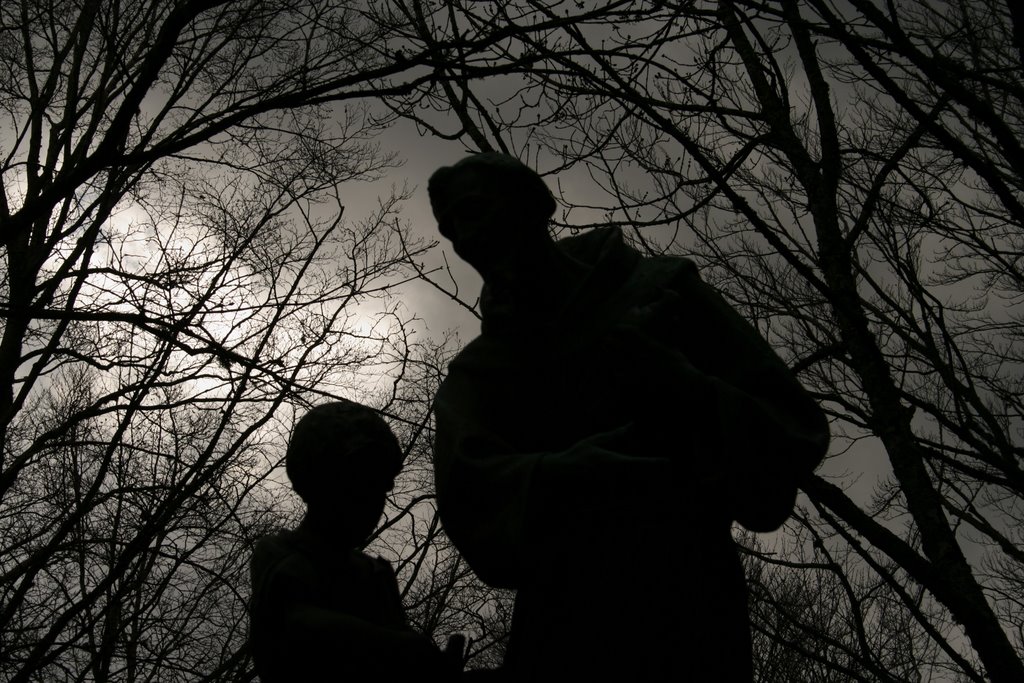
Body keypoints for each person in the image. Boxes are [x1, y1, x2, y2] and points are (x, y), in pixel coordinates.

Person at [428, 153, 830, 681]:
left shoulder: (660, 290)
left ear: (534, 207)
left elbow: (793, 431)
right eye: (453, 228)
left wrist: (678, 380)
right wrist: (561, 473)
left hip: (689, 607)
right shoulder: (479, 376)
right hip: (561, 624)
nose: (467, 236)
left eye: (476, 210)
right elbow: (468, 498)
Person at [249, 400, 462, 681]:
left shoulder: (375, 576)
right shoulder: (279, 555)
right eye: (360, 485)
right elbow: (296, 625)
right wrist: (405, 648)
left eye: (380, 488)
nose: (373, 503)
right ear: (321, 483)